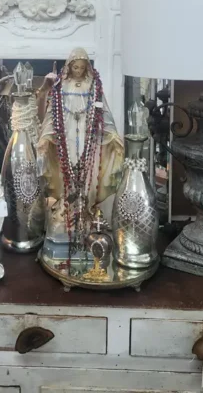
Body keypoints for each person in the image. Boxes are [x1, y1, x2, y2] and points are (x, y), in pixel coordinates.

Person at [37, 48, 123, 258]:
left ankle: (85, 212)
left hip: (87, 138)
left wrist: (112, 134)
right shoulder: (61, 86)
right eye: (75, 67)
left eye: (82, 68)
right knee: (66, 172)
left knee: (87, 173)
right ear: (69, 67)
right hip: (66, 138)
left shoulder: (93, 86)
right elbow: (52, 115)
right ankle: (65, 211)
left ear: (87, 68)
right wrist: (46, 137)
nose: (78, 71)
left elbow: (103, 114)